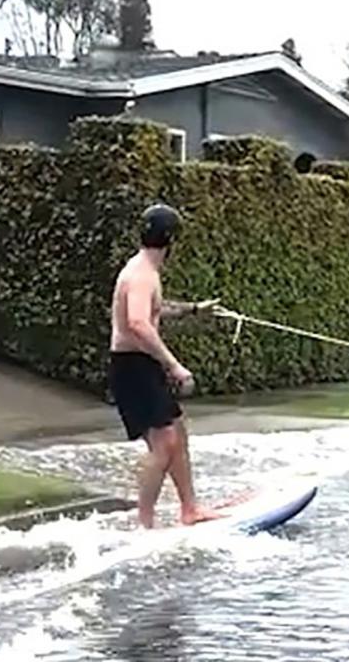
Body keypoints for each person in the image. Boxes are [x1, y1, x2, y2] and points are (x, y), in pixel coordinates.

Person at [108, 203, 221, 529]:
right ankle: (145, 524)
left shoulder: (143, 270)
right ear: (171, 240)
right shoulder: (142, 274)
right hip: (132, 367)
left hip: (140, 364)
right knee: (163, 444)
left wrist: (194, 309)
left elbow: (155, 309)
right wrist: (174, 365)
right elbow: (139, 323)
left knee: (177, 433)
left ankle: (190, 509)